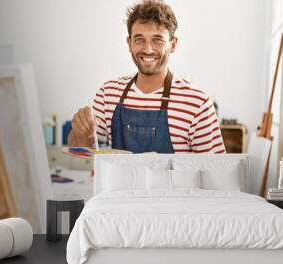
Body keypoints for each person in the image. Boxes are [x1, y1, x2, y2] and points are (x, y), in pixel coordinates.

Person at [68, 0, 225, 154]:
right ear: (129, 43)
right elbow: (81, 152)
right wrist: (81, 131)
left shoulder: (197, 104)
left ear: (173, 44)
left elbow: (215, 173)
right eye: (139, 39)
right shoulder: (108, 94)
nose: (148, 49)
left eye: (157, 40)